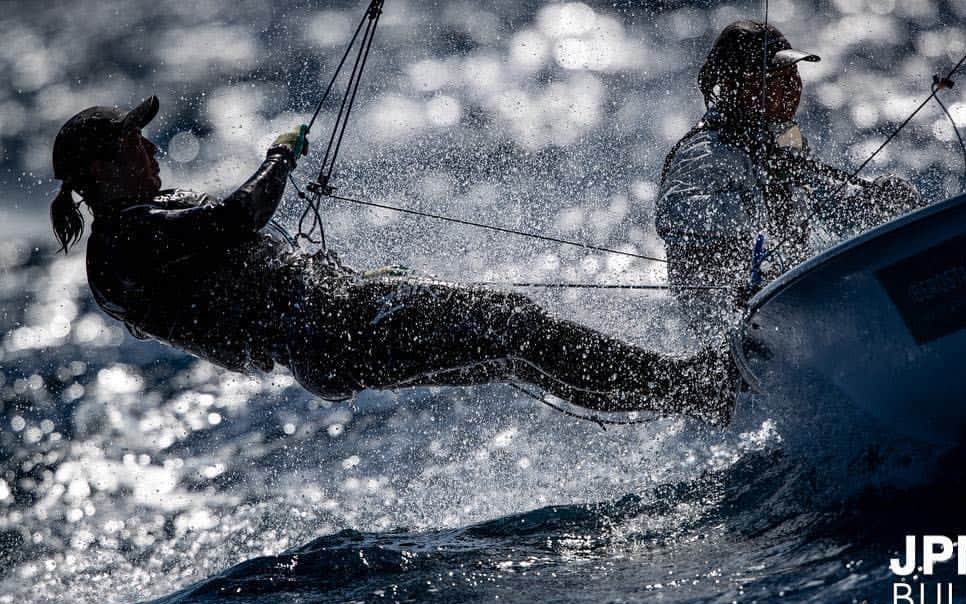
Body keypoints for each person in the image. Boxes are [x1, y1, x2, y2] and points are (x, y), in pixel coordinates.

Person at [51, 96, 738, 425]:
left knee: (513, 346)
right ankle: (693, 387)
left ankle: (689, 392)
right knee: (516, 324)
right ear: (100, 167)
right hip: (332, 327)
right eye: (135, 142)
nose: (151, 149)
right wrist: (279, 156)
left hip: (331, 330)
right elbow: (236, 216)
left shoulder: (128, 238)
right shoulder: (125, 240)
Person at [655, 20, 924, 346]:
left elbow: (827, 203)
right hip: (732, 340)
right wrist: (755, 200)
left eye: (793, 75)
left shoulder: (783, 139)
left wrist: (872, 203)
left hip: (792, 316)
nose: (792, 86)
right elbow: (675, 212)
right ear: (739, 86)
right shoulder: (707, 150)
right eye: (776, 79)